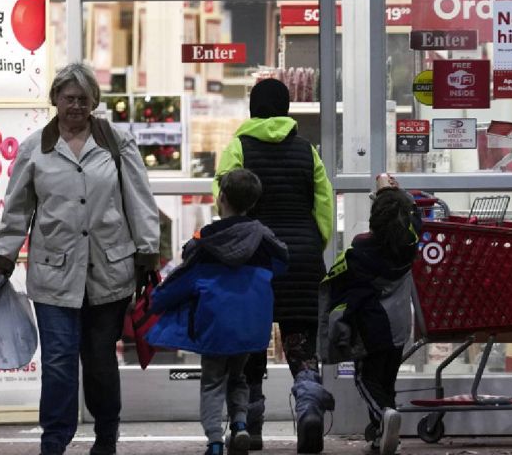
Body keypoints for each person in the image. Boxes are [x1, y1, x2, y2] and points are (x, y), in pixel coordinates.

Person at [0, 62, 161, 455]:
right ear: (55, 100)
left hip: (109, 273)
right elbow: (16, 210)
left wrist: (147, 251)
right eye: (69, 99)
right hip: (54, 276)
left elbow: (139, 199)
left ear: (94, 102)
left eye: (84, 99)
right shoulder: (35, 148)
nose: (76, 107)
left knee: (101, 362)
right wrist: (3, 258)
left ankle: (106, 437)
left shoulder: (118, 143)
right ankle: (54, 440)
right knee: (59, 364)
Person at [215, 78, 335, 453]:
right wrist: (313, 246)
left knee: (251, 345)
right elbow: (324, 207)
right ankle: (309, 410)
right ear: (287, 109)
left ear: (252, 108)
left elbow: (224, 204)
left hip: (255, 261)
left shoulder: (238, 147)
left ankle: (250, 426)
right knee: (301, 346)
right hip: (299, 259)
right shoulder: (306, 151)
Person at [146, 169, 289, 455]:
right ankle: (239, 426)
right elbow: (280, 267)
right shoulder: (264, 240)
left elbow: (181, 282)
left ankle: (214, 441)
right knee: (239, 377)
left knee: (212, 381)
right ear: (253, 201)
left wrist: (155, 301)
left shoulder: (205, 242)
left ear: (221, 198)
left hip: (215, 325)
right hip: (250, 325)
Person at [322, 175, 420, 455]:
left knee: (365, 379)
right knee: (386, 380)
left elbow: (349, 292)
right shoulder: (409, 245)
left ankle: (386, 416)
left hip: (373, 326)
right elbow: (416, 216)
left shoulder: (361, 249)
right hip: (401, 326)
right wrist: (396, 193)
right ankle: (384, 436)